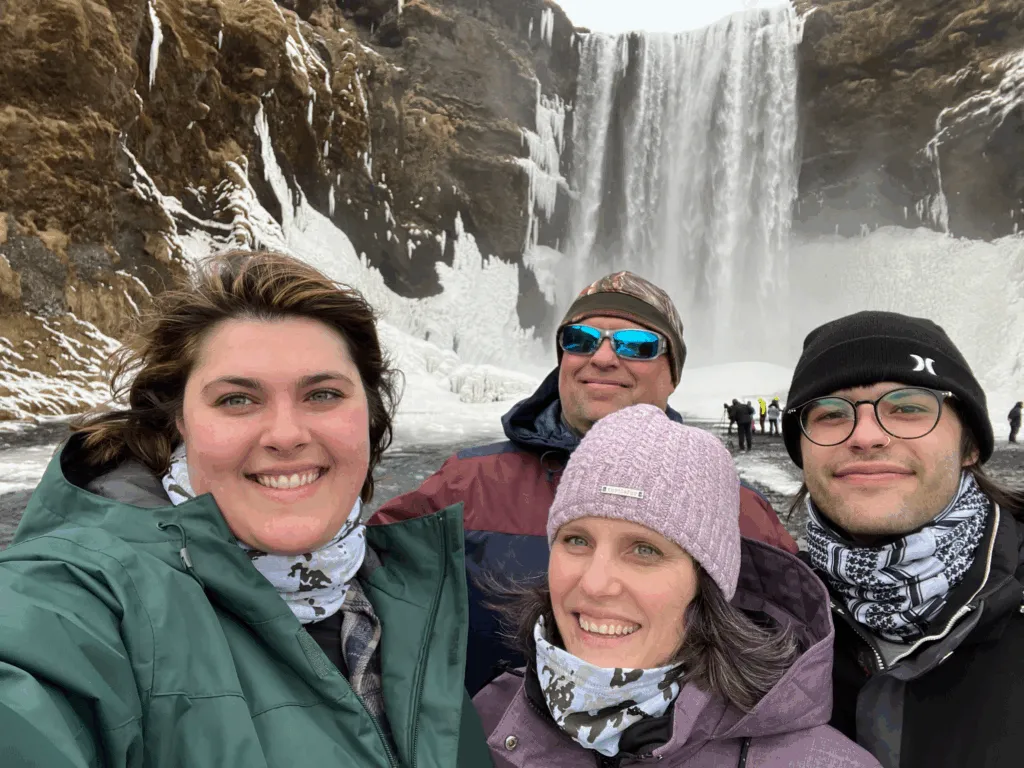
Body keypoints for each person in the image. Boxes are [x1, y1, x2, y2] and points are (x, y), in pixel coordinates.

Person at [0, 251, 492, 767]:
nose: (286, 435)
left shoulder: (407, 600)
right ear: (178, 424)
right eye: (237, 400)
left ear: (368, 419)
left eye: (323, 394)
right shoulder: (92, 597)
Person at [370, 271, 796, 694]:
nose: (604, 358)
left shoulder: (738, 510)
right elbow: (354, 596)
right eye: (580, 340)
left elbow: (788, 658)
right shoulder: (464, 485)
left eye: (637, 345)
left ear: (674, 374)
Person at [473, 405, 880, 767]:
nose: (595, 584)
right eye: (577, 540)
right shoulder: (483, 718)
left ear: (706, 584)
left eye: (645, 550)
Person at [782, 310, 1024, 768]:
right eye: (832, 413)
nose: (867, 436)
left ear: (969, 445)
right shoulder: (763, 620)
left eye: (909, 407)